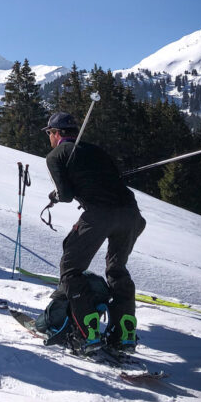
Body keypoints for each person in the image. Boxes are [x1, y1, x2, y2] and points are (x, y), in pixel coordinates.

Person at [43, 111, 146, 353]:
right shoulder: (96, 150)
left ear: (57, 134)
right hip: (131, 214)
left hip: (100, 214)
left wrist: (55, 196)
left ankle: (87, 335)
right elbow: (112, 179)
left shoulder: (56, 155)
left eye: (49, 133)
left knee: (70, 270)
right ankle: (125, 333)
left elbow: (66, 195)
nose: (49, 138)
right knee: (117, 270)